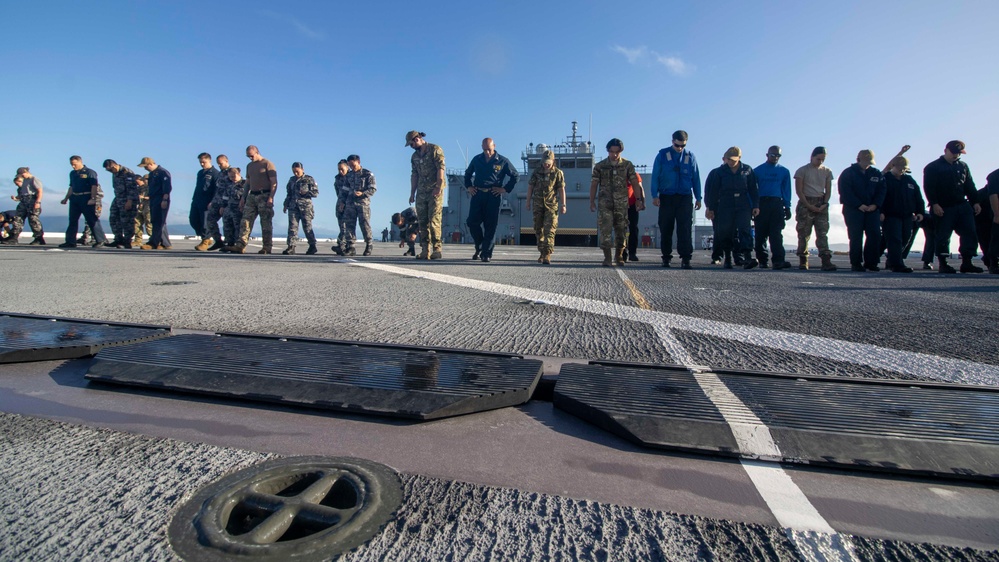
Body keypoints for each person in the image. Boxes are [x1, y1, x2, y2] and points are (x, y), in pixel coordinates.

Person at [923, 140, 982, 273]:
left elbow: (969, 185)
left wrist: (975, 202)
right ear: (946, 151)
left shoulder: (963, 166)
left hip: (962, 205)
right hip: (943, 207)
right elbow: (929, 188)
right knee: (943, 235)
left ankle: (967, 262)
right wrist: (934, 204)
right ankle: (944, 263)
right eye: (954, 152)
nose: (956, 155)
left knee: (970, 232)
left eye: (958, 153)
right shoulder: (933, 167)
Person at [463, 138, 519, 262]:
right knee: (472, 222)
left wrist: (504, 189)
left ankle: (486, 253)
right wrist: (469, 187)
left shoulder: (503, 161)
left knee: (490, 225)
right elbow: (467, 174)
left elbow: (515, 176)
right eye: (484, 150)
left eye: (489, 149)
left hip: (493, 195)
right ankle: (480, 245)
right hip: (477, 194)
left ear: (494, 146)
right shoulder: (477, 159)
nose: (487, 152)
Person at [589, 138, 643, 267]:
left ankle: (619, 256)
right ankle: (607, 257)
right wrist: (591, 201)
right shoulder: (600, 166)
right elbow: (594, 184)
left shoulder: (627, 165)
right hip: (605, 204)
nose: (614, 155)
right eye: (611, 152)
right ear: (608, 151)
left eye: (617, 152)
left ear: (621, 151)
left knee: (621, 231)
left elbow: (635, 183)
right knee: (605, 230)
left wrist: (638, 199)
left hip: (621, 204)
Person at [651, 130, 701, 269]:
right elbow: (655, 176)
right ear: (672, 141)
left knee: (684, 229)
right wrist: (654, 195)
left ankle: (686, 258)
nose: (679, 148)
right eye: (677, 145)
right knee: (666, 228)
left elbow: (696, 178)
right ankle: (666, 258)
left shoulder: (690, 157)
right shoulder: (662, 155)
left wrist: (698, 198)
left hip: (684, 197)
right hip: (666, 197)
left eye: (682, 146)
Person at [704, 147, 760, 269]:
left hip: (742, 202)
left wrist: (755, 205)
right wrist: (710, 208)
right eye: (728, 159)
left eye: (733, 160)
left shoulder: (747, 170)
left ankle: (747, 257)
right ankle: (728, 258)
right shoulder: (719, 172)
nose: (731, 162)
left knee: (744, 230)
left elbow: (753, 189)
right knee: (726, 231)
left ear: (739, 158)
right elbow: (713, 191)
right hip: (726, 202)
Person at [838, 149, 886, 272]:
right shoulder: (848, 173)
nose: (867, 165)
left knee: (875, 235)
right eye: (865, 162)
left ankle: (871, 262)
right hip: (853, 210)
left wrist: (875, 205)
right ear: (858, 159)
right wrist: (858, 204)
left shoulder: (876, 173)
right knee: (856, 236)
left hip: (872, 210)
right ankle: (856, 263)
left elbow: (882, 191)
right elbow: (845, 192)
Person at [226, 145, 277, 254]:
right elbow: (248, 183)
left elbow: (274, 182)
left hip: (264, 195)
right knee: (246, 221)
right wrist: (243, 198)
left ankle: (267, 247)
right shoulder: (249, 166)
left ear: (257, 152)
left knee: (265, 223)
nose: (250, 158)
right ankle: (240, 245)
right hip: (252, 196)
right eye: (248, 156)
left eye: (252, 156)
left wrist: (271, 197)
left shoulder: (267, 164)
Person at [793, 147, 837, 271]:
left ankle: (826, 260)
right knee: (803, 233)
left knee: (822, 233)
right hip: (805, 202)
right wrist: (808, 205)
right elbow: (799, 191)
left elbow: (828, 190)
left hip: (821, 202)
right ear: (812, 157)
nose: (820, 161)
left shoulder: (827, 171)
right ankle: (803, 259)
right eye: (818, 159)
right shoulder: (802, 171)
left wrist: (824, 203)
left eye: (823, 159)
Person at [881, 152, 925, 273]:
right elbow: (880, 197)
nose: (901, 170)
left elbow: (918, 198)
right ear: (893, 166)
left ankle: (892, 260)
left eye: (904, 168)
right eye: (899, 168)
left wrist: (920, 212)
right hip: (891, 215)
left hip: (907, 216)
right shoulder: (885, 179)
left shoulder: (909, 180)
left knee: (906, 238)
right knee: (895, 239)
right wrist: (881, 212)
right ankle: (897, 264)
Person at [406, 130, 445, 260]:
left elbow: (441, 169)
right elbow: (414, 174)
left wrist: (438, 187)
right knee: (422, 221)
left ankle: (437, 249)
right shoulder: (414, 156)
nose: (411, 147)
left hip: (435, 190)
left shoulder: (435, 149)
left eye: (411, 144)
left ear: (417, 139)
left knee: (434, 219)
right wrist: (412, 193)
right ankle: (425, 250)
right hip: (422, 192)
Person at [752, 146, 792, 269]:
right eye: (772, 155)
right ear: (767, 155)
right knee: (760, 234)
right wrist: (753, 206)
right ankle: (763, 260)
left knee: (776, 234)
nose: (775, 158)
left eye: (778, 156)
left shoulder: (784, 171)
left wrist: (787, 206)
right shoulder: (757, 171)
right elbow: (752, 190)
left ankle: (778, 260)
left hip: (776, 204)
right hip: (762, 203)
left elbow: (786, 190)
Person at [526, 149, 567, 264]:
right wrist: (528, 202)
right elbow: (530, 187)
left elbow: (561, 189)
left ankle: (547, 254)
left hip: (551, 206)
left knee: (550, 230)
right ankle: (542, 252)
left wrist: (563, 205)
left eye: (548, 162)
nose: (546, 164)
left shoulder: (558, 173)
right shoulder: (536, 172)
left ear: (553, 161)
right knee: (539, 230)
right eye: (544, 162)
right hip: (538, 205)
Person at [59, 155, 108, 248]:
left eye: (74, 164)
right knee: (72, 220)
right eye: (71, 164)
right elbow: (71, 187)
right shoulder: (72, 173)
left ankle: (100, 240)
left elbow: (94, 186)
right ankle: (70, 241)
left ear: (80, 162)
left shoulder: (90, 172)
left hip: (86, 197)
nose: (73, 166)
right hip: (75, 198)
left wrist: (93, 198)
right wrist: (66, 198)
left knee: (92, 220)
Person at [101, 159, 140, 248]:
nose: (109, 171)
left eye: (110, 169)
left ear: (114, 166)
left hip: (127, 199)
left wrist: (129, 201)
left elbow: (132, 189)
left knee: (127, 220)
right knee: (114, 218)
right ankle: (118, 239)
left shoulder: (127, 173)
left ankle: (127, 241)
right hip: (118, 198)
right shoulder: (115, 174)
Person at [282, 162, 319, 255]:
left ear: (302, 169)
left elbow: (315, 193)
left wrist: (306, 193)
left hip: (305, 207)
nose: (295, 173)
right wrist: (285, 204)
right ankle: (291, 246)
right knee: (292, 227)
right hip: (293, 206)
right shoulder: (291, 180)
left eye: (297, 171)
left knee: (307, 227)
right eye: (294, 171)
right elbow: (289, 193)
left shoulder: (309, 179)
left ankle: (312, 246)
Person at [343, 154, 377, 256]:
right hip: (350, 203)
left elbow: (373, 189)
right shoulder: (348, 176)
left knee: (365, 225)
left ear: (358, 162)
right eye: (349, 166)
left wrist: (363, 193)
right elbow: (344, 190)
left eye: (353, 165)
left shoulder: (367, 174)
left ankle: (369, 245)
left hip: (363, 203)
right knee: (349, 225)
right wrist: (341, 202)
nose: (351, 167)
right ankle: (351, 246)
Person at [137, 157, 172, 250]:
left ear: (151, 164)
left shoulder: (163, 173)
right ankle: (165, 243)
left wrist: (164, 200)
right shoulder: (152, 174)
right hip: (153, 199)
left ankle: (154, 242)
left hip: (161, 198)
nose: (145, 169)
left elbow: (167, 188)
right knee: (156, 221)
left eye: (146, 167)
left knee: (159, 221)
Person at [10, 168, 45, 245]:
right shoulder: (25, 180)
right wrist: (16, 198)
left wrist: (38, 202)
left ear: (26, 172)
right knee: (18, 218)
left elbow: (40, 191)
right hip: (24, 201)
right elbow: (23, 193)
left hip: (32, 200)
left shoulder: (34, 179)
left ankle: (39, 238)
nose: (22, 176)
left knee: (33, 219)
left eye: (22, 174)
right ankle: (14, 237)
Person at [214, 167, 246, 251]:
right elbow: (225, 197)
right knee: (227, 226)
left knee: (238, 227)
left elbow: (246, 197)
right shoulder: (230, 185)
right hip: (228, 209)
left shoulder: (245, 184)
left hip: (238, 209)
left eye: (233, 176)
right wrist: (222, 206)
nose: (232, 179)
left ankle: (238, 245)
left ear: (238, 174)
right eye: (230, 177)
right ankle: (229, 243)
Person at [204, 154, 231, 251]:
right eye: (218, 164)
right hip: (216, 201)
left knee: (227, 223)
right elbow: (218, 189)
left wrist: (224, 204)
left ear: (226, 161)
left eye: (221, 163)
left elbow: (230, 189)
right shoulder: (220, 174)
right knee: (210, 220)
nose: (219, 166)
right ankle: (218, 241)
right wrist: (212, 201)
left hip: (227, 202)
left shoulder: (231, 172)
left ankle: (229, 243)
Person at [192, 153, 218, 251]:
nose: (202, 164)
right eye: (200, 162)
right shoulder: (200, 173)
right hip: (196, 199)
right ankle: (206, 238)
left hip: (207, 201)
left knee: (204, 222)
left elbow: (216, 189)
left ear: (209, 160)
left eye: (204, 162)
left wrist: (213, 201)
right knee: (193, 220)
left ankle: (206, 240)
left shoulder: (215, 173)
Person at [621, 176, 641, 262]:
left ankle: (632, 253)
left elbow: (640, 188)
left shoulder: (635, 175)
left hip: (633, 205)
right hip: (621, 205)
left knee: (634, 228)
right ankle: (622, 253)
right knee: (621, 230)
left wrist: (641, 201)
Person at [332, 159, 349, 255]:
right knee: (342, 226)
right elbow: (338, 192)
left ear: (347, 168)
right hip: (340, 204)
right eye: (339, 169)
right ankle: (341, 245)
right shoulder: (337, 178)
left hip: (349, 205)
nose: (340, 171)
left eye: (342, 169)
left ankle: (343, 246)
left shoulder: (351, 177)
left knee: (346, 227)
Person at [986, 168, 999, 274]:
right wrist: (997, 214)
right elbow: (993, 196)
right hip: (997, 211)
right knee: (996, 238)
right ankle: (994, 264)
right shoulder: (995, 176)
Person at [133, 176, 152, 245]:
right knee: (137, 223)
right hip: (140, 207)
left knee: (149, 223)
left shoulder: (152, 187)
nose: (145, 181)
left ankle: (153, 239)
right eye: (144, 179)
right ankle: (137, 240)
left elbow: (154, 196)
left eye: (146, 179)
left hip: (148, 207)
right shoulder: (141, 188)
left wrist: (143, 197)